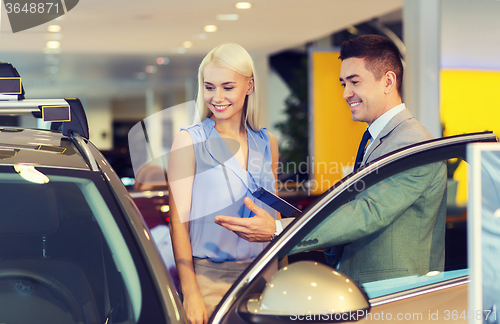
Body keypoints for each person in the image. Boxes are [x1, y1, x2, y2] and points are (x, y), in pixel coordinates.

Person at [215, 35, 447, 284]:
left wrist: (279, 230)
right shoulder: (380, 138)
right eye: (343, 84)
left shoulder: (410, 140)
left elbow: (367, 212)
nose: (347, 93)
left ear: (388, 81)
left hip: (397, 293)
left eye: (354, 82)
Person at [167, 43, 280, 324]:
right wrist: (190, 292)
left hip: (265, 277)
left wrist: (278, 278)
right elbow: (178, 223)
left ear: (249, 85)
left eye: (227, 87)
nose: (217, 97)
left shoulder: (267, 142)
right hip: (209, 282)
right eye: (209, 87)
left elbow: (273, 216)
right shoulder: (190, 141)